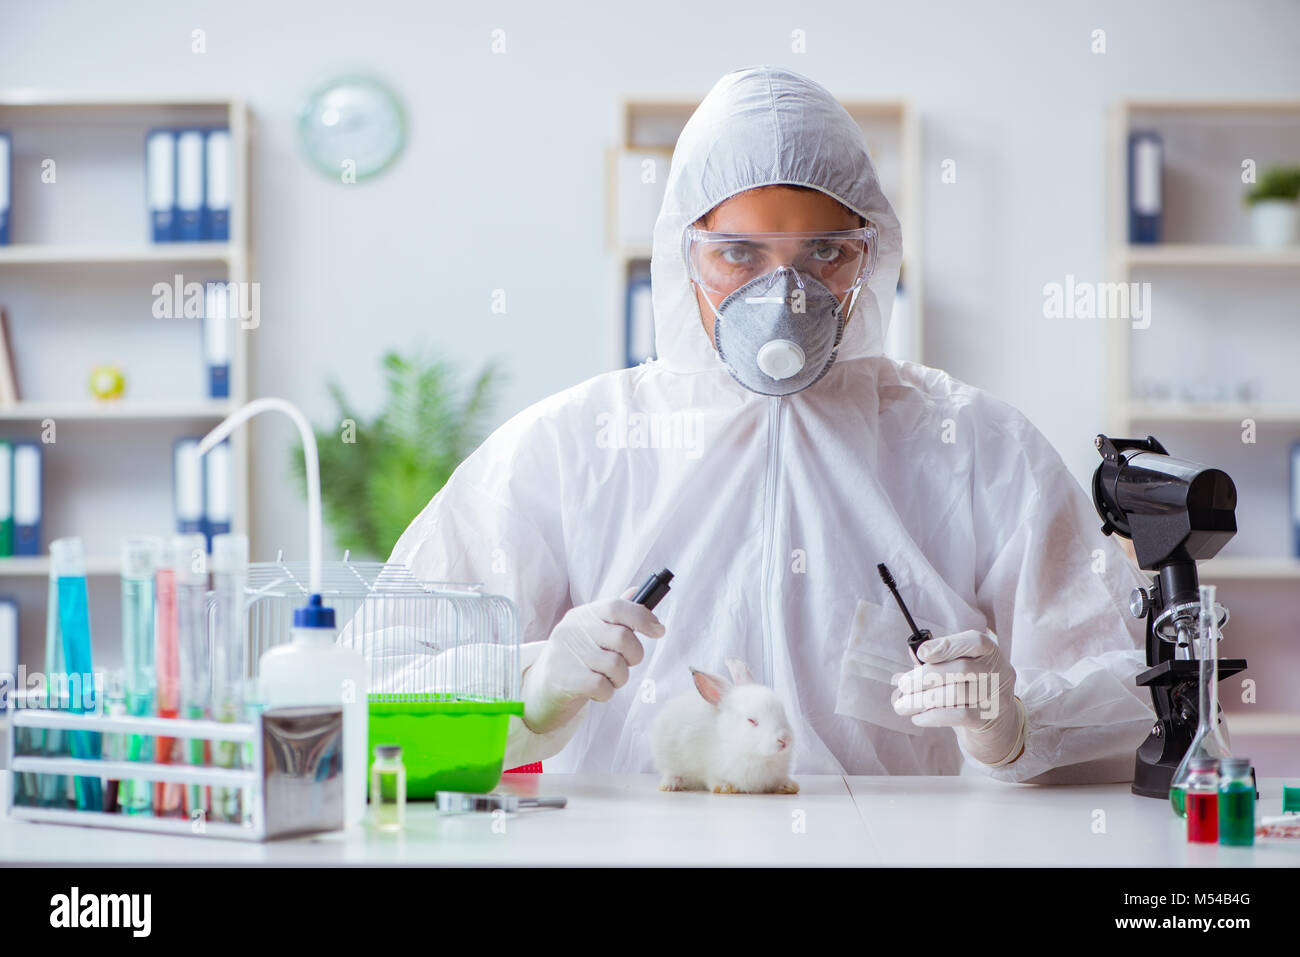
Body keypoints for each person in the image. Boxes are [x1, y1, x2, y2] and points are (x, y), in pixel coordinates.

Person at [387, 66, 1155, 783]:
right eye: (739, 254)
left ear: (869, 254)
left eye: (824, 252)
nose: (784, 294)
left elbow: (1126, 688)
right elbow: (383, 686)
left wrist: (1013, 728)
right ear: (683, 257)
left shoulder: (977, 446)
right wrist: (533, 684)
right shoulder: (570, 446)